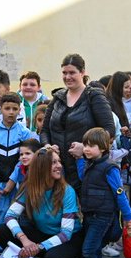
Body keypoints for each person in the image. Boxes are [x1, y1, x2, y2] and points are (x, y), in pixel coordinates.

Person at [0, 146, 82, 258]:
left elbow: (66, 233)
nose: (59, 166)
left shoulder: (67, 191)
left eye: (59, 162)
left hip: (71, 238)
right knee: (2, 231)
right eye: (54, 163)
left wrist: (38, 247)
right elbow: (10, 216)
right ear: (42, 167)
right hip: (44, 233)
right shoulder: (30, 188)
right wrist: (24, 240)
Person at [70, 127, 131, 258]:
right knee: (94, 248)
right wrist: (79, 159)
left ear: (104, 147)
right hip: (91, 214)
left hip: (103, 215)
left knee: (89, 248)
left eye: (92, 146)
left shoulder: (109, 168)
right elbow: (84, 178)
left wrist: (128, 217)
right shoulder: (91, 164)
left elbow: (119, 193)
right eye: (85, 145)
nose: (87, 149)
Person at [40, 53, 115, 186]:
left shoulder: (94, 96)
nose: (67, 77)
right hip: (58, 169)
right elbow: (44, 130)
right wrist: (48, 146)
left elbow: (109, 130)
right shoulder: (57, 98)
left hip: (87, 167)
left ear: (82, 72)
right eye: (64, 73)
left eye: (72, 72)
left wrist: (86, 147)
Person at [0, 92, 36, 234]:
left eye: (15, 109)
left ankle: (17, 253)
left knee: (18, 218)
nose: (11, 112)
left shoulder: (25, 133)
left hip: (19, 185)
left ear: (20, 110)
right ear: (0, 109)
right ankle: (0, 252)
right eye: (7, 108)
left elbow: (23, 160)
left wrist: (12, 181)